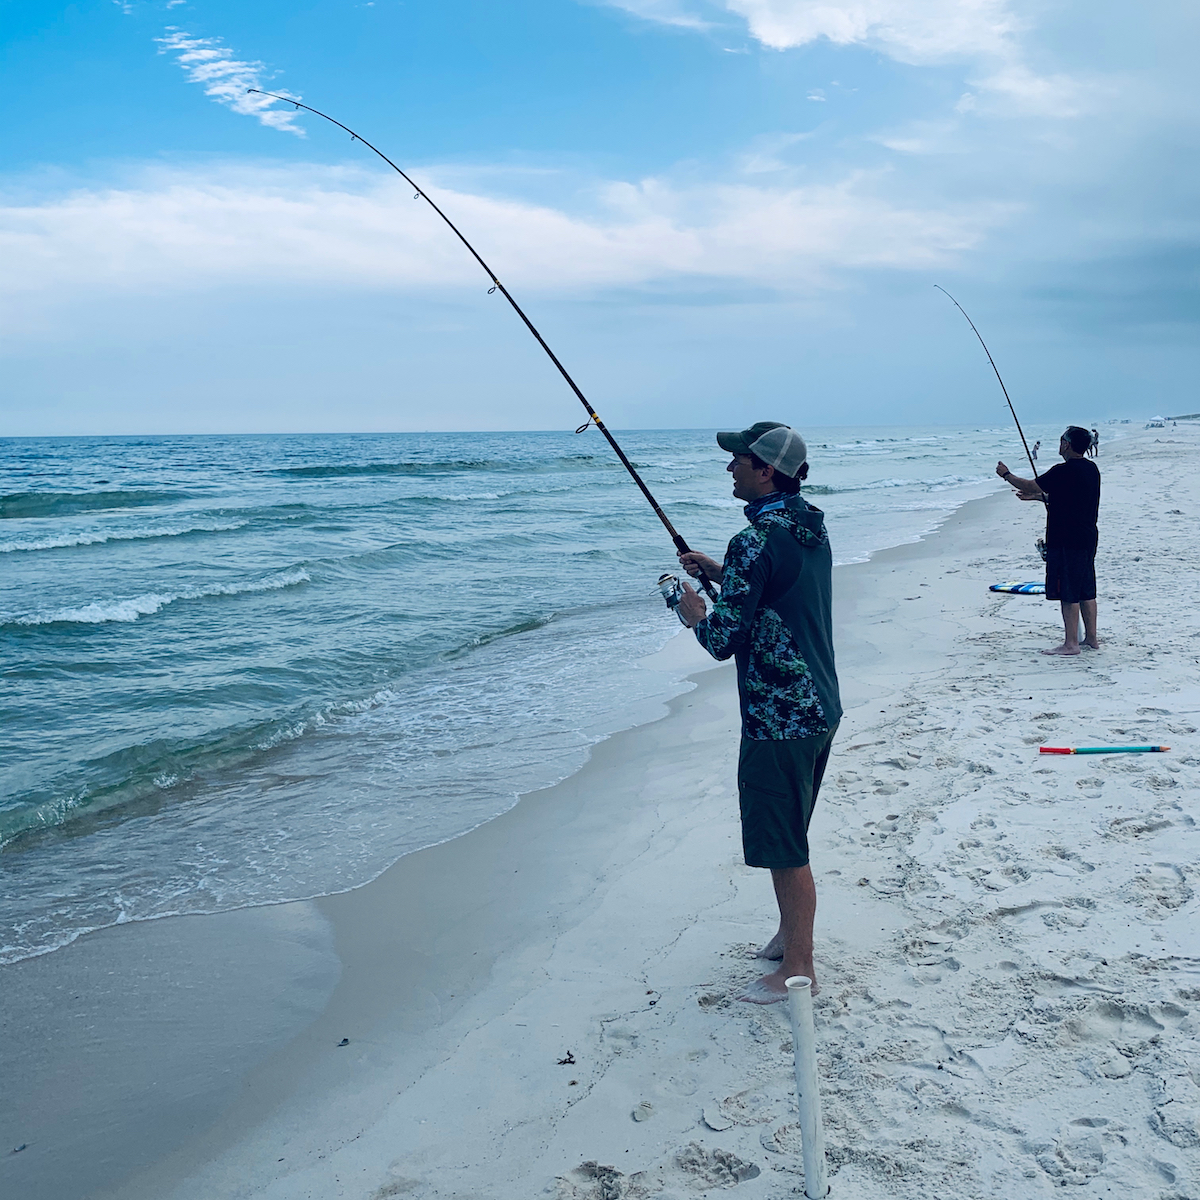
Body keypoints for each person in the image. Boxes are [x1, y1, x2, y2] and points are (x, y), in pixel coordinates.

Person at [675, 422, 841, 1003]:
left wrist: (691, 608)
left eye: (739, 460)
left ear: (767, 469)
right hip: (820, 702)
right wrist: (722, 574)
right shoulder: (808, 527)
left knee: (783, 842)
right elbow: (779, 585)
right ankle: (789, 935)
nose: (731, 469)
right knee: (788, 833)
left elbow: (721, 639)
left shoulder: (753, 541)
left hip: (780, 715)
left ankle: (799, 969)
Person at [996, 426, 1100, 655]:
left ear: (1067, 444)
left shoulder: (1063, 470)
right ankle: (1091, 639)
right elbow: (1069, 496)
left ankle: (1071, 644)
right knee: (1086, 589)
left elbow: (1030, 484)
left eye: (1062, 439)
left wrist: (1006, 475)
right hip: (1087, 537)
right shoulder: (1091, 469)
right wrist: (1038, 498)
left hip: (1066, 539)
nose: (1059, 443)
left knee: (1069, 592)